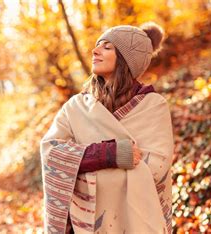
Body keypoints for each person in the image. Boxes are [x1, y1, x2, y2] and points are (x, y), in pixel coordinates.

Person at [40, 22, 174, 233]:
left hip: (136, 223)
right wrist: (108, 154)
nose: (95, 51)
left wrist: (82, 173)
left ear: (126, 59)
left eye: (107, 47)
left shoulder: (153, 106)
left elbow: (156, 167)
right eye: (97, 45)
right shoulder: (76, 107)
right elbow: (51, 153)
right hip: (83, 226)